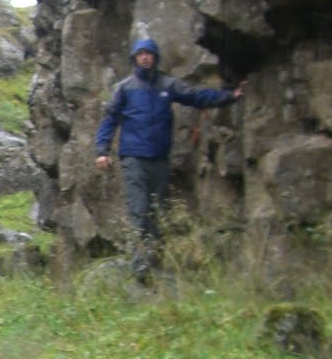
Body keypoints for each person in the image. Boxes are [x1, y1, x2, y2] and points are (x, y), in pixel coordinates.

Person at [94, 37, 242, 282]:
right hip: (134, 158)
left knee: (157, 211)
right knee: (139, 210)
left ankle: (154, 262)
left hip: (160, 159)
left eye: (149, 54)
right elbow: (109, 119)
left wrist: (230, 96)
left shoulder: (168, 85)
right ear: (134, 58)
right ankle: (140, 267)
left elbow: (196, 97)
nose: (145, 57)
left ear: (155, 58)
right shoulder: (125, 88)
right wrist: (101, 151)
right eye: (140, 54)